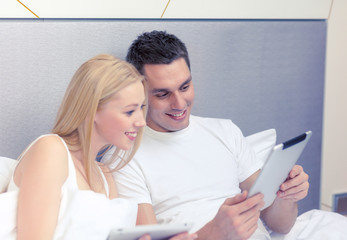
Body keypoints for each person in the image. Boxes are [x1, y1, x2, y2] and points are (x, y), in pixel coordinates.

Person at [106, 31, 312, 240]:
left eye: (185, 87)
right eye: (163, 94)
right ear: (139, 92)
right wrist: (214, 233)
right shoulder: (125, 157)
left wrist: (288, 195)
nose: (179, 104)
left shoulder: (225, 132)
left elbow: (281, 224)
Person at [1, 54, 196, 240]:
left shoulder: (104, 176)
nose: (141, 122)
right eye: (129, 112)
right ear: (92, 110)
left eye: (141, 108)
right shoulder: (51, 150)